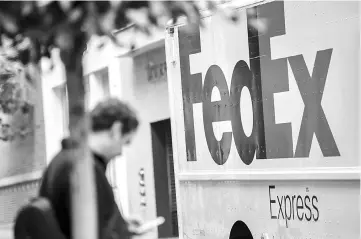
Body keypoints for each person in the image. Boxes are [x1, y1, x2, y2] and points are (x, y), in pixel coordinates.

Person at [38, 98, 142, 239]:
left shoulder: (61, 160)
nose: (120, 152)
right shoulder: (86, 171)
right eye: (125, 142)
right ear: (116, 130)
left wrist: (121, 225)